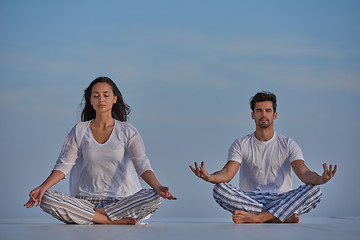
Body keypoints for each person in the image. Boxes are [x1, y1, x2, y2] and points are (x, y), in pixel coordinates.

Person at [25, 76, 176, 225]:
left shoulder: (128, 131)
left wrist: (157, 187)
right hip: (84, 202)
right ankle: (107, 220)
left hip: (122, 202)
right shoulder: (80, 130)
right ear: (90, 101)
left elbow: (142, 165)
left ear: (114, 99)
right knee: (46, 198)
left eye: (106, 95)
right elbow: (64, 165)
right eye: (96, 95)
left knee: (154, 198)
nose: (101, 99)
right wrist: (42, 187)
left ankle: (92, 217)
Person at [190, 91, 337, 224]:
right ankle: (279, 216)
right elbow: (227, 174)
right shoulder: (241, 144)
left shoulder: (288, 144)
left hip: (283, 199)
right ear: (253, 115)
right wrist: (209, 177)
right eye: (259, 111)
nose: (263, 115)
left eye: (268, 111)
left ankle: (260, 217)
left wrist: (320, 179)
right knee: (219, 189)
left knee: (315, 190)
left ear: (275, 115)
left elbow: (304, 173)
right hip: (251, 200)